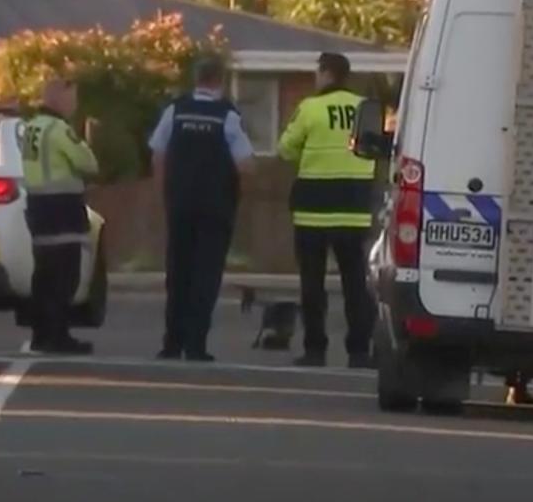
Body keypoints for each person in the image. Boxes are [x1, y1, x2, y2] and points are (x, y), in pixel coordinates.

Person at [149, 56, 256, 362]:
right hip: (216, 207)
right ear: (219, 81)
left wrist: (164, 194)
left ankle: (172, 343)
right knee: (205, 275)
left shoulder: (176, 110)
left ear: (196, 79)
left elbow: (157, 154)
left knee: (178, 271)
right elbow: (245, 165)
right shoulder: (227, 116)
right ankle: (196, 345)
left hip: (180, 203)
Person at [278, 52, 378, 369]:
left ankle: (315, 349)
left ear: (324, 73)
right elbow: (377, 149)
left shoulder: (310, 108)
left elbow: (285, 149)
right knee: (355, 284)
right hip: (354, 207)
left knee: (312, 283)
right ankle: (359, 351)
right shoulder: (366, 108)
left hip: (314, 209)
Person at [20, 78, 99, 354]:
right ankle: (58, 336)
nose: (74, 104)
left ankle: (41, 334)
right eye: (72, 97)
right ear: (59, 98)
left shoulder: (32, 127)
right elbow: (87, 163)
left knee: (43, 274)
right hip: (62, 208)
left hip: (38, 207)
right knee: (64, 276)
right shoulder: (58, 129)